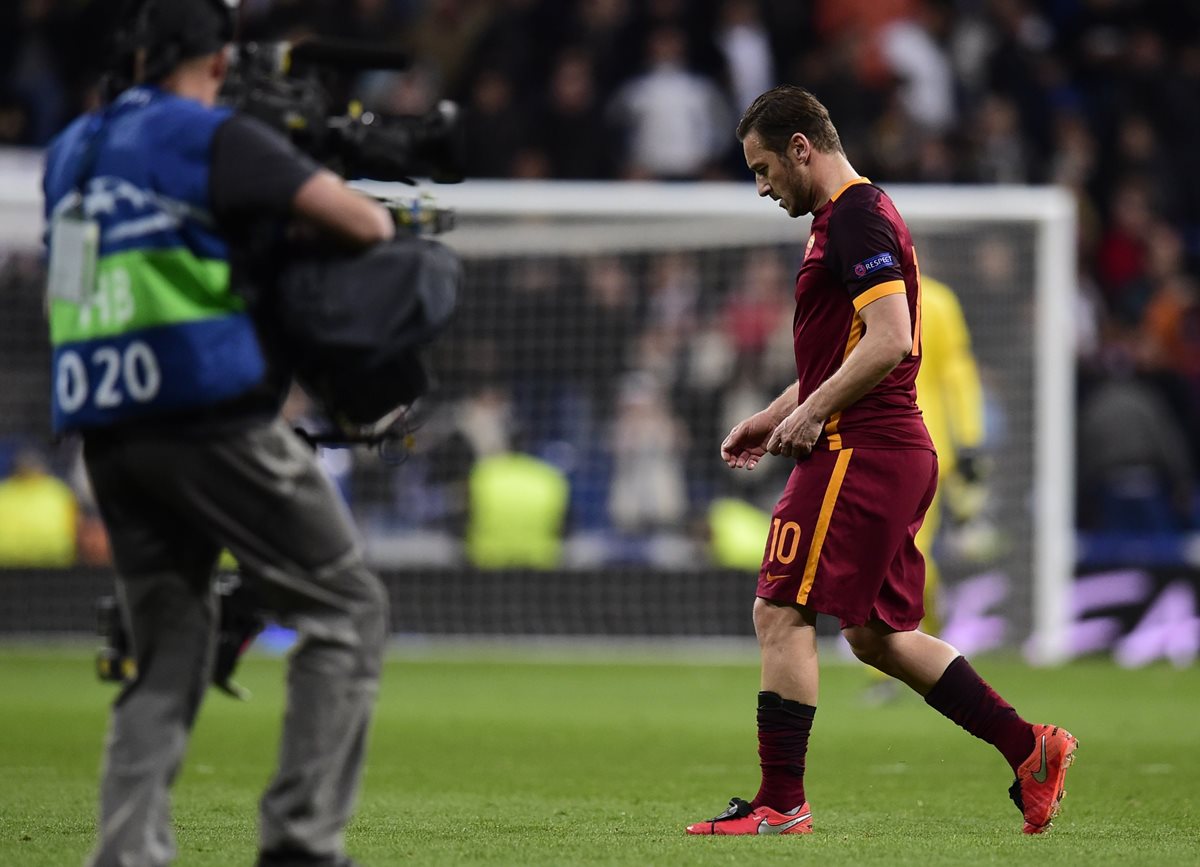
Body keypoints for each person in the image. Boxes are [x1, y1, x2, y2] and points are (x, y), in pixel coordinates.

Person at [42, 2, 394, 865]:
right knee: (347, 607)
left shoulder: (71, 149)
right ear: (216, 58)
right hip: (208, 418)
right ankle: (301, 843)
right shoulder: (212, 137)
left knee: (168, 649)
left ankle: (124, 852)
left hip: (105, 431)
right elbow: (367, 224)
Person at [686, 85, 1076, 838]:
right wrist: (773, 417)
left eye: (765, 168)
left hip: (861, 448)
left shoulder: (859, 214)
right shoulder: (845, 219)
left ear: (803, 147)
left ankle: (780, 801)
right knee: (876, 634)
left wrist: (809, 414)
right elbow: (844, 348)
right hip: (879, 446)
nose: (763, 187)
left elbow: (892, 338)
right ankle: (1030, 747)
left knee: (780, 608)